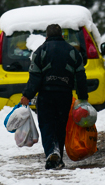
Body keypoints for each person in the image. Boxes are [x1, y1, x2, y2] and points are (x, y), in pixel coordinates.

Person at [20, 24, 88, 170]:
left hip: (46, 95)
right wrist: (83, 97)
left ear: (47, 37)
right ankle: (58, 157)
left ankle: (51, 152)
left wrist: (27, 95)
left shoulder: (40, 51)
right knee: (61, 125)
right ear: (62, 36)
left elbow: (35, 77)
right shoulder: (73, 52)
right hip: (64, 95)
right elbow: (81, 76)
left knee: (47, 124)